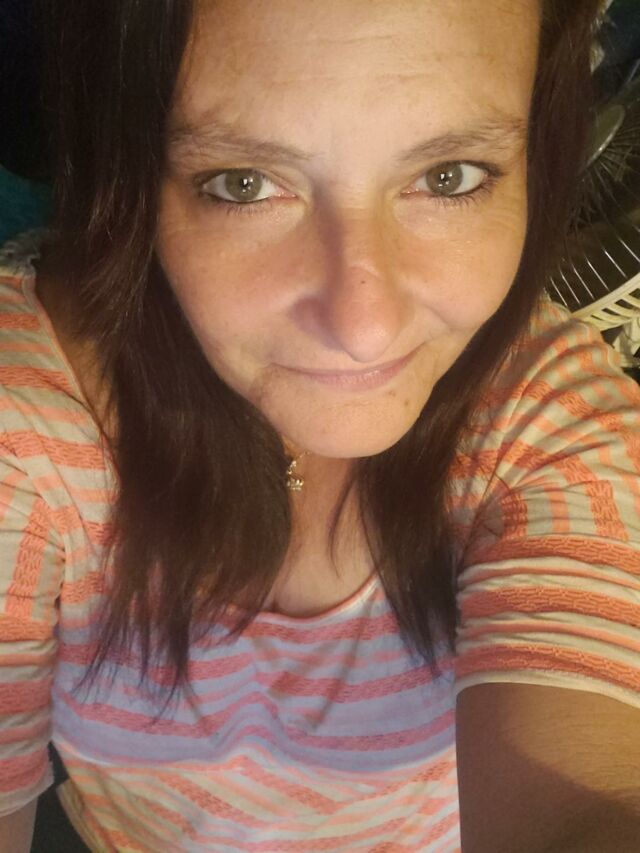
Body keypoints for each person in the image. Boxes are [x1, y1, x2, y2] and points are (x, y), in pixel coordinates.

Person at [0, 0, 638, 850]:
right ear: (134, 169)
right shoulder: (24, 421)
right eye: (244, 184)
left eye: (449, 175)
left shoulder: (554, 427)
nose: (364, 326)